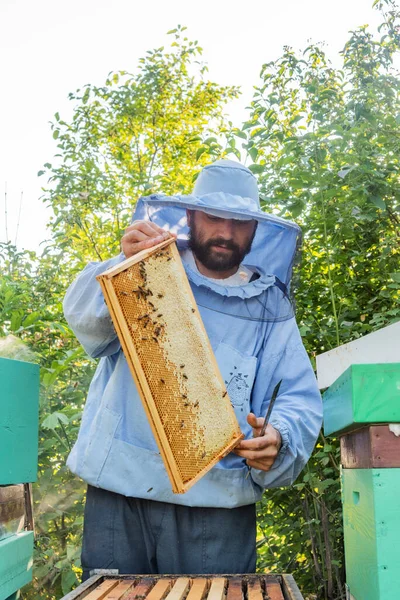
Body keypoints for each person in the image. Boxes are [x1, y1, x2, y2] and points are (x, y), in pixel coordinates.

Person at [63, 159, 322, 580]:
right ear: (190, 217)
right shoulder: (146, 265)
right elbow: (82, 317)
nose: (225, 232)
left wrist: (279, 435)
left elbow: (295, 397)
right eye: (214, 218)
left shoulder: (268, 306)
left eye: (239, 223)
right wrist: (121, 265)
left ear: (255, 230)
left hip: (216, 506)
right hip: (119, 492)